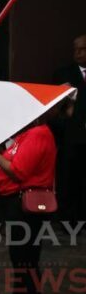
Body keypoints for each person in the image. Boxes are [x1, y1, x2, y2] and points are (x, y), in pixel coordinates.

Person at [0, 104, 64, 294]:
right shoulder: (25, 135)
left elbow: (18, 171)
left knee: (26, 263)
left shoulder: (39, 133)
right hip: (15, 206)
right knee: (20, 260)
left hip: (26, 208)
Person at [53, 34, 86, 225]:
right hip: (71, 138)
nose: (78, 53)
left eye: (82, 49)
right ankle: (69, 221)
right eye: (76, 49)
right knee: (69, 180)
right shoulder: (64, 74)